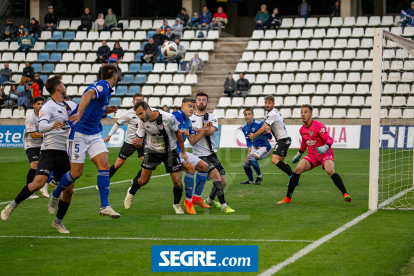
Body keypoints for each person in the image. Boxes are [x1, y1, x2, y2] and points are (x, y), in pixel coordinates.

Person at [1, 75, 77, 234]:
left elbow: (83, 114)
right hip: (49, 151)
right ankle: (11, 206)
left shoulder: (70, 105)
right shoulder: (48, 107)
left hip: (65, 152)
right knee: (38, 182)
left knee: (69, 190)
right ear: (58, 87)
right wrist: (52, 125)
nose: (65, 87)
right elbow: (41, 127)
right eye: (63, 84)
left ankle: (58, 222)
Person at [50, 64, 121, 219]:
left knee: (104, 166)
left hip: (94, 133)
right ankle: (55, 194)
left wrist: (105, 109)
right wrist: (80, 113)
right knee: (76, 173)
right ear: (115, 77)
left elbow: (93, 102)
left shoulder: (105, 88)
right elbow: (88, 94)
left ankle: (105, 206)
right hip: (79, 133)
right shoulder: (102, 86)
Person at [277, 104, 352, 204]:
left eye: (306, 112)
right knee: (297, 169)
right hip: (312, 155)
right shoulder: (302, 129)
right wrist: (299, 154)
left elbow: (329, 139)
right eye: (301, 112)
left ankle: (345, 194)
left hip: (325, 153)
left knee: (330, 170)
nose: (303, 114)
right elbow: (304, 142)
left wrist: (325, 147)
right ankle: (288, 198)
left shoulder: (318, 126)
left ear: (311, 114)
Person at [123, 100, 188, 214]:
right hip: (152, 151)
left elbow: (178, 133)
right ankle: (131, 192)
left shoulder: (167, 118)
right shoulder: (142, 122)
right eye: (137, 114)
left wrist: (183, 152)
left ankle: (176, 204)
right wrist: (136, 143)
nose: (139, 117)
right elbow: (139, 140)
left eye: (140, 113)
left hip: (170, 151)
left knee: (177, 182)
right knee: (143, 181)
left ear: (148, 109)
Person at [171, 98, 225, 214]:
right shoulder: (176, 116)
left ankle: (196, 197)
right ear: (182, 106)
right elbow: (167, 129)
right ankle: (188, 201)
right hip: (171, 152)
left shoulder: (188, 121)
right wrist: (179, 132)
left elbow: (193, 140)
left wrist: (203, 129)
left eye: (193, 107)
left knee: (204, 166)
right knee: (189, 169)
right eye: (189, 106)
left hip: (181, 152)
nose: (192, 109)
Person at [189, 92, 235, 212]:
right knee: (215, 175)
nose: (201, 102)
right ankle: (224, 206)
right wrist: (203, 128)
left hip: (212, 154)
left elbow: (210, 132)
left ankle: (209, 200)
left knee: (223, 182)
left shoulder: (212, 117)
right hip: (199, 156)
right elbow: (193, 140)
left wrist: (193, 129)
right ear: (195, 102)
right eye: (199, 100)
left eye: (204, 100)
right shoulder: (190, 119)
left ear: (207, 103)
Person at [248, 95, 293, 184]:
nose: (267, 105)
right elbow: (263, 122)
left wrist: (253, 135)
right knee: (281, 161)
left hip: (283, 139)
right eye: (266, 103)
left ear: (273, 104)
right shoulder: (271, 113)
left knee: (274, 159)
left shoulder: (272, 113)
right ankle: (294, 178)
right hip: (284, 139)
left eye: (269, 103)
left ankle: (293, 178)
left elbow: (263, 128)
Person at [104, 93, 145, 180]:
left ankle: (135, 181)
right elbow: (117, 124)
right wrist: (109, 135)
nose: (139, 102)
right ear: (133, 102)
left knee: (146, 164)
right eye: (137, 100)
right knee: (118, 164)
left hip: (143, 141)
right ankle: (104, 180)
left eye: (141, 100)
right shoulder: (128, 113)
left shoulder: (149, 112)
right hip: (130, 142)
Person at [23, 96, 49, 198]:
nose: (40, 106)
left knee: (45, 165)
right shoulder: (31, 117)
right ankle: (29, 192)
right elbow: (33, 134)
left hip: (41, 144)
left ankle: (41, 185)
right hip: (31, 144)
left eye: (42, 104)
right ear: (34, 105)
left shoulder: (45, 116)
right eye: (38, 104)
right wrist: (47, 135)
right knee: (34, 165)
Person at [240, 109, 272, 185]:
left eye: (249, 114)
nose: (247, 116)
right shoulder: (244, 127)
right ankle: (251, 180)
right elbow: (248, 140)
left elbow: (270, 137)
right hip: (254, 147)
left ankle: (259, 176)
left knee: (251, 158)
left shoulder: (260, 123)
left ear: (253, 115)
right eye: (245, 114)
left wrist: (268, 132)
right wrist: (249, 147)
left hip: (265, 147)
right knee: (245, 165)